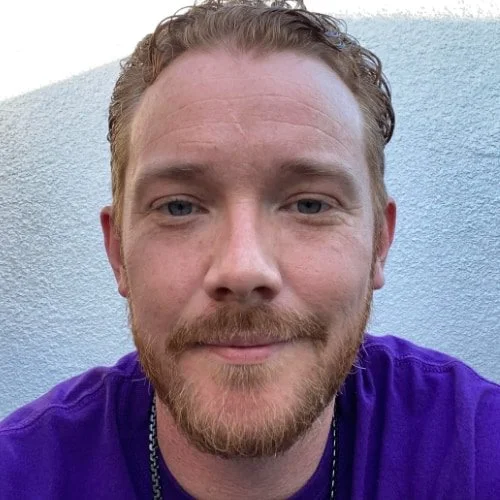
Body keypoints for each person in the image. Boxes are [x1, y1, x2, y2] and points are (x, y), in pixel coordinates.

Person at [1, 0, 499, 498]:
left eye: (309, 205)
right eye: (179, 207)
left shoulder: (476, 450)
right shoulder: (22, 475)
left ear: (379, 244)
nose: (242, 269)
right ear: (118, 252)